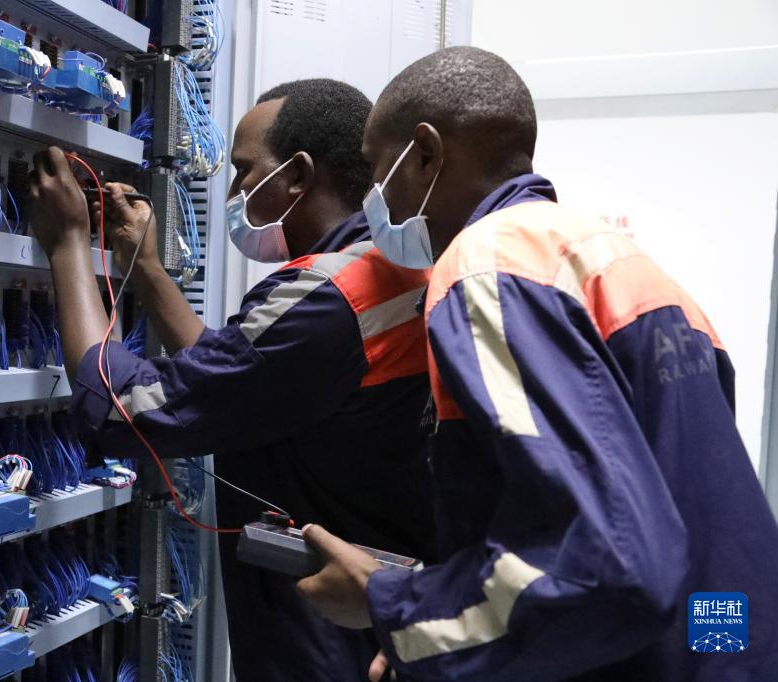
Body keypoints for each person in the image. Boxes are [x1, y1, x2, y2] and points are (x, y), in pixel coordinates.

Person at [296, 47, 778, 681]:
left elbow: (599, 564)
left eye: (377, 168)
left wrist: (391, 606)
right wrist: (443, 637)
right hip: (721, 643)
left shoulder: (488, 268)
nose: (373, 198)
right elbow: (687, 510)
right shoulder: (613, 258)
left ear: (426, 154)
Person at [27, 78, 439, 682]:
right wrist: (145, 268)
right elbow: (242, 385)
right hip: (375, 635)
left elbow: (121, 408)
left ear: (298, 176)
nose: (235, 191)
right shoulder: (391, 270)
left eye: (245, 170)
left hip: (324, 650)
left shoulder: (327, 297)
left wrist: (67, 243)